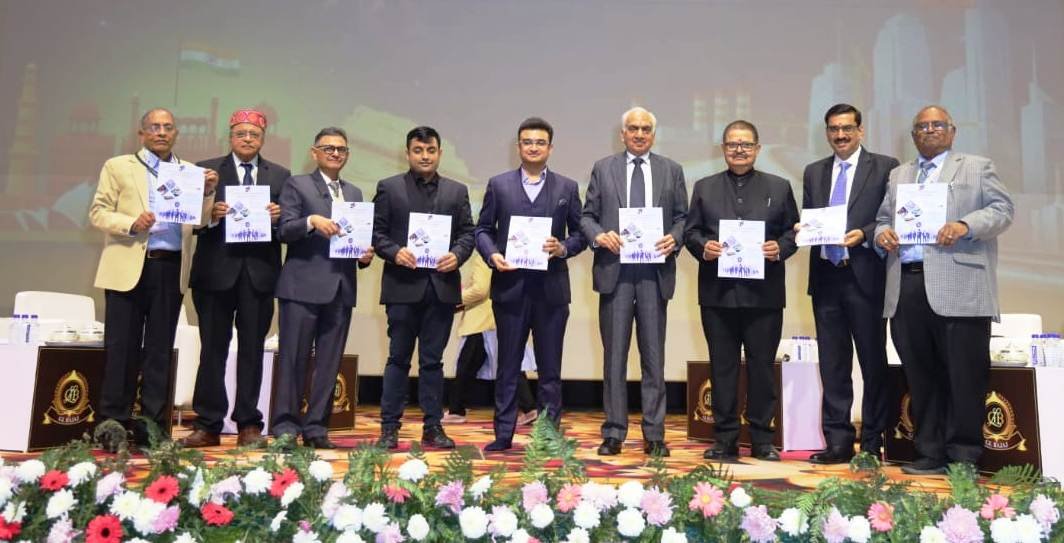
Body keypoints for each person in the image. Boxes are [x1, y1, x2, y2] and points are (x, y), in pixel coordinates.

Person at [874, 106, 1013, 475]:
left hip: (960, 285)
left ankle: (964, 456)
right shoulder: (899, 174)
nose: (929, 130)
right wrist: (881, 234)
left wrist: (965, 225)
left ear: (952, 131)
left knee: (965, 375)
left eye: (937, 125)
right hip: (907, 284)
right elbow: (883, 218)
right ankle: (930, 452)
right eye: (921, 126)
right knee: (920, 374)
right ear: (913, 135)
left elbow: (1002, 210)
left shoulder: (977, 167)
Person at [88, 108, 218, 450]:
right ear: (142, 133)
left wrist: (207, 193)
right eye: (155, 127)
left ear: (176, 134)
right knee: (121, 349)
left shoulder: (189, 172)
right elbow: (98, 212)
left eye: (168, 127)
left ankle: (152, 430)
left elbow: (200, 222)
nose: (161, 132)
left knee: (160, 352)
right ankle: (113, 428)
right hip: (128, 266)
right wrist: (131, 223)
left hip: (170, 268)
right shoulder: (118, 166)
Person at [684, 120, 799, 463]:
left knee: (762, 368)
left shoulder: (779, 187)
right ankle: (725, 439)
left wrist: (779, 248)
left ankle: (763, 439)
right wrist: (704, 247)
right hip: (717, 295)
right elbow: (691, 232)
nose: (739, 150)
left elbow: (793, 233)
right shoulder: (704, 187)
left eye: (746, 145)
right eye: (732, 144)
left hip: (764, 295)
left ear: (758, 149)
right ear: (723, 149)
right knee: (723, 368)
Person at [581, 107, 688, 457]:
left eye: (645, 129)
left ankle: (654, 434)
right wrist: (599, 236)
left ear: (653, 135)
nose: (639, 134)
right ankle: (614, 432)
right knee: (614, 358)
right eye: (633, 128)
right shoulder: (603, 168)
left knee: (654, 358)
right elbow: (587, 217)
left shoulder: (671, 169)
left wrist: (675, 238)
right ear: (622, 134)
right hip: (616, 273)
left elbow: (683, 218)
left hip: (654, 274)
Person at [474, 117, 586, 451]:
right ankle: (503, 433)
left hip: (552, 291)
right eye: (527, 142)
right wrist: (492, 255)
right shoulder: (499, 185)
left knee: (550, 369)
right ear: (518, 146)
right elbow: (483, 230)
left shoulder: (567, 188)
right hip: (510, 288)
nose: (533, 147)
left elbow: (581, 233)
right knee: (508, 366)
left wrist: (562, 247)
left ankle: (548, 436)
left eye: (540, 142)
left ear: (550, 148)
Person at [181, 109, 290, 449]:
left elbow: (288, 229)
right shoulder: (205, 171)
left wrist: (278, 218)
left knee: (252, 350)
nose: (247, 139)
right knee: (212, 350)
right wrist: (210, 214)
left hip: (259, 275)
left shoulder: (280, 175)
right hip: (215, 274)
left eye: (253, 134)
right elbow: (188, 221)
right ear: (230, 136)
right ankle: (207, 424)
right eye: (241, 133)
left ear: (262, 139)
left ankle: (249, 423)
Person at [800, 104, 899, 464]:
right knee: (833, 366)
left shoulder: (886, 167)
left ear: (860, 130)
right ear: (826, 132)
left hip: (866, 277)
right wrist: (803, 229)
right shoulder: (814, 171)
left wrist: (866, 233)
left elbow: (893, 215)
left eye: (846, 128)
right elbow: (810, 216)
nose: (840, 135)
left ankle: (872, 442)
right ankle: (838, 442)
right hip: (826, 277)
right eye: (833, 129)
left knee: (873, 363)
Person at [271, 127, 375, 449]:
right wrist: (311, 221)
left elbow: (354, 238)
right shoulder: (297, 184)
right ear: (314, 152)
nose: (335, 153)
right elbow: (284, 230)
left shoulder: (355, 193)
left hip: (341, 289)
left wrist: (364, 255)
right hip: (301, 287)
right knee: (293, 360)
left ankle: (317, 428)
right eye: (328, 148)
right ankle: (286, 427)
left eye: (341, 149)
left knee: (329, 364)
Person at [373, 126, 476, 450]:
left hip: (441, 288)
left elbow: (468, 233)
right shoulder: (389, 187)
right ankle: (389, 428)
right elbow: (376, 233)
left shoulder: (456, 191)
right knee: (398, 359)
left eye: (431, 150)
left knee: (433, 362)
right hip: (402, 288)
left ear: (439, 153)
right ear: (408, 153)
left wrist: (457, 255)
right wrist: (394, 252)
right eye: (418, 150)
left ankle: (433, 427)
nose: (425, 156)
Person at [444, 252, 538, 426]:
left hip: (482, 320)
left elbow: (480, 290)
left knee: (466, 366)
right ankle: (529, 407)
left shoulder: (485, 256)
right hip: (496, 318)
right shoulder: (508, 254)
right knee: (508, 364)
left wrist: (454, 297)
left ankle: (456, 410)